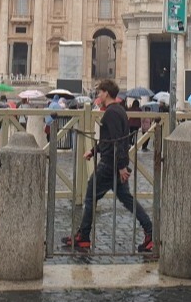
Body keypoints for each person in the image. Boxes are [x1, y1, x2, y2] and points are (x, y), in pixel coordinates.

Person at [61, 79, 154, 252]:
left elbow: (117, 141)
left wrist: (121, 167)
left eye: (100, 92)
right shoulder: (119, 110)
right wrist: (93, 151)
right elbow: (109, 140)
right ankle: (150, 231)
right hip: (115, 164)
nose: (98, 96)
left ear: (106, 93)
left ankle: (84, 236)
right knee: (127, 200)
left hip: (109, 165)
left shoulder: (111, 113)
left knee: (91, 196)